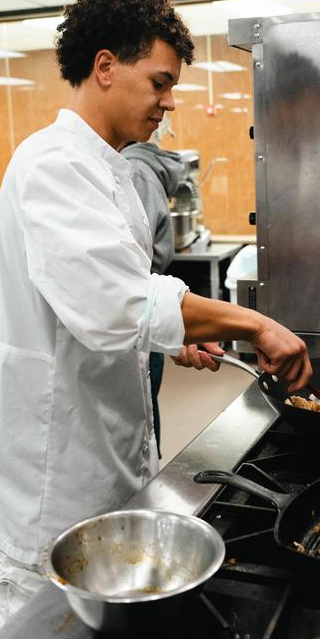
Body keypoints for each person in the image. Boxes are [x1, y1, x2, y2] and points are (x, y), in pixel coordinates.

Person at [0, 0, 312, 633]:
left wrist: (174, 336)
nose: (169, 102)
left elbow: (103, 303)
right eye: (160, 81)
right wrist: (255, 322)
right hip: (55, 478)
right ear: (105, 66)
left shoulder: (107, 168)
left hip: (108, 456)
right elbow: (116, 302)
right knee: (44, 626)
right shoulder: (52, 164)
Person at [121, 140, 184, 457]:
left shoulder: (135, 169)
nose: (168, 104)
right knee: (145, 400)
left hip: (145, 305)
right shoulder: (140, 166)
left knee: (145, 402)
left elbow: (130, 263)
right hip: (146, 305)